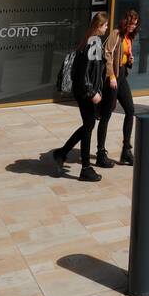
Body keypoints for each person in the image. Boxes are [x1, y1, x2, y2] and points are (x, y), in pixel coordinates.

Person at [51, 13, 114, 182]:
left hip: (87, 91)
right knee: (88, 126)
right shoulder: (93, 42)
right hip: (86, 93)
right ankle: (85, 168)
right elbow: (83, 72)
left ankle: (62, 153)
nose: (107, 28)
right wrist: (92, 92)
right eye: (105, 25)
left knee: (89, 125)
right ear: (99, 26)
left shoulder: (91, 40)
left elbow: (94, 71)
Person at [96, 9, 139, 167]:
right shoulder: (116, 33)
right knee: (106, 115)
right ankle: (101, 153)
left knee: (130, 110)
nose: (133, 26)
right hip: (112, 78)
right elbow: (107, 53)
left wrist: (129, 59)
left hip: (121, 76)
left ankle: (126, 150)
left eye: (135, 24)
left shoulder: (128, 37)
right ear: (126, 21)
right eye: (132, 23)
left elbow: (123, 55)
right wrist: (111, 75)